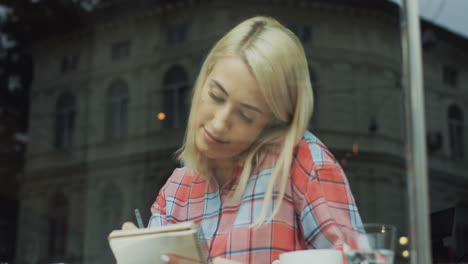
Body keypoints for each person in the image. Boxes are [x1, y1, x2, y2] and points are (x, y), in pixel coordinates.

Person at [122, 16, 363, 264]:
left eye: (246, 115)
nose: (219, 123)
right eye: (216, 96)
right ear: (202, 81)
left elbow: (358, 261)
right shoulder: (176, 190)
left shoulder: (301, 161)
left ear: (273, 123)